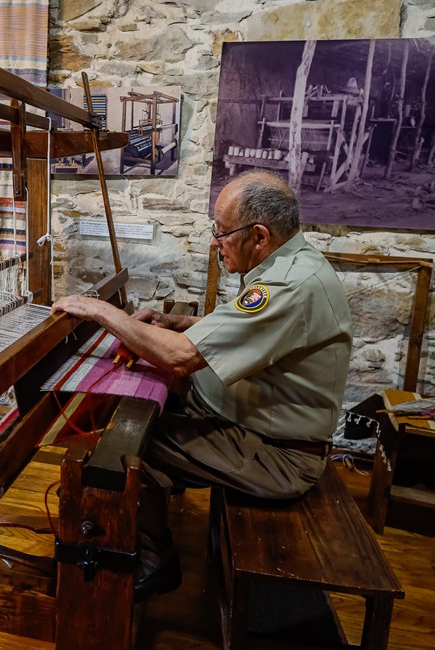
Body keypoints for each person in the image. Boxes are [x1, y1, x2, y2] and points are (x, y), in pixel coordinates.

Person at [51, 170, 353, 600]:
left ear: (260, 236)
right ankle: (148, 536)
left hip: (279, 457)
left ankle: (155, 563)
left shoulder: (288, 285)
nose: (216, 242)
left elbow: (180, 357)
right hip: (251, 426)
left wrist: (99, 311)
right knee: (141, 420)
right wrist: (179, 322)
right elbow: (246, 330)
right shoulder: (291, 263)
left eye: (222, 232)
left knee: (120, 448)